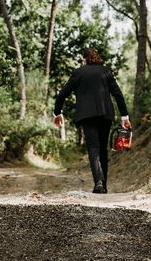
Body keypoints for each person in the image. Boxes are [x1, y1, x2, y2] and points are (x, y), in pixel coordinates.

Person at [53, 48, 131, 194]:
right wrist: (124, 116)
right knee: (102, 149)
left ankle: (98, 183)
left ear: (84, 59)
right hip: (105, 114)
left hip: (87, 116)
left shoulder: (79, 72)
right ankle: (104, 185)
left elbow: (62, 94)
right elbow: (118, 94)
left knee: (93, 148)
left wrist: (57, 113)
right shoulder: (106, 71)